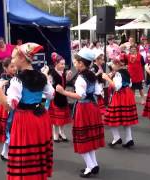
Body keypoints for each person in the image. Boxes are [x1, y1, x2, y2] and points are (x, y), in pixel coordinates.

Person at [0, 43, 54, 180]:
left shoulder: (17, 80)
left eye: (13, 58)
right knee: (37, 152)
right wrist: (45, 77)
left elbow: (9, 106)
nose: (12, 61)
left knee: (25, 155)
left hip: (25, 119)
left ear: (22, 58)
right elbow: (51, 95)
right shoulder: (41, 76)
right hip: (41, 117)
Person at [55, 48, 105, 178]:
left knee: (82, 138)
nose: (75, 63)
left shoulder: (81, 78)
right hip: (93, 107)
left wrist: (63, 92)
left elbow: (79, 95)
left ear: (81, 63)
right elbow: (98, 92)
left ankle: (90, 166)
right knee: (89, 137)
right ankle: (93, 164)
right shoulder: (92, 75)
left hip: (84, 109)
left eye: (76, 61)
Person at [102, 56, 138, 148]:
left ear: (117, 64)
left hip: (120, 95)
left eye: (113, 65)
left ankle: (116, 138)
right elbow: (130, 84)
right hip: (128, 94)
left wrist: (107, 78)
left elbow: (116, 87)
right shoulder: (126, 71)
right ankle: (129, 139)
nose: (111, 67)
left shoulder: (118, 74)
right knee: (126, 118)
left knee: (111, 117)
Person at [0, 59, 17, 161]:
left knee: (12, 130)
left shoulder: (16, 78)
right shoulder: (2, 81)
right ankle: (7, 153)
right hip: (6, 108)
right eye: (11, 66)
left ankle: (5, 153)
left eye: (15, 66)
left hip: (14, 107)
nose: (14, 68)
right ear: (5, 68)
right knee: (8, 130)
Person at [48, 52, 72, 143]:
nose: (63, 65)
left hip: (63, 97)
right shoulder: (52, 73)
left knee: (62, 117)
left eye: (64, 64)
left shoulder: (63, 73)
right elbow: (49, 85)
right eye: (61, 64)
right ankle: (55, 133)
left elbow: (65, 83)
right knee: (55, 119)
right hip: (55, 98)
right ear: (56, 64)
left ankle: (62, 132)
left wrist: (68, 77)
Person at [91, 49, 106, 116]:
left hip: (100, 85)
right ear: (97, 59)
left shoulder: (100, 66)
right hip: (96, 86)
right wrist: (98, 73)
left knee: (100, 100)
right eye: (101, 59)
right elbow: (91, 77)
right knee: (97, 100)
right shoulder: (94, 67)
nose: (103, 61)